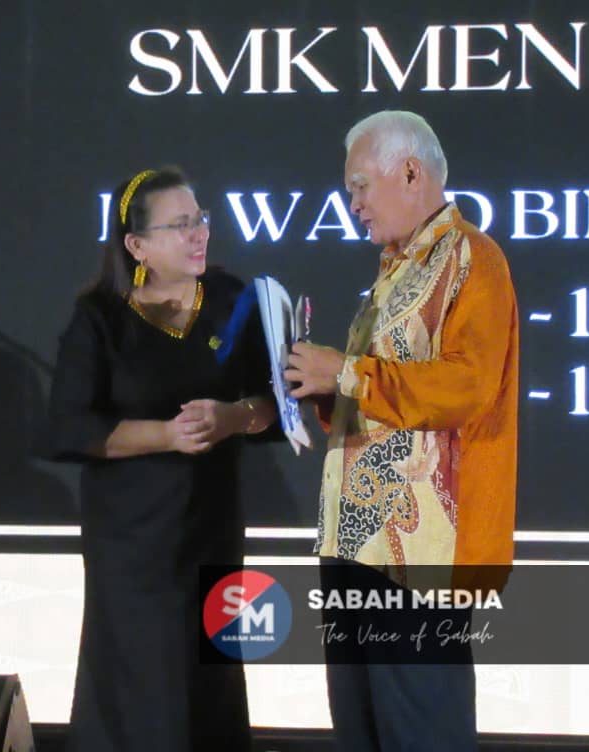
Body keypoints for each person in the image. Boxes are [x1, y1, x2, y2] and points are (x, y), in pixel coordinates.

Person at [283, 110, 519, 751]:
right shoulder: (394, 269)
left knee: (421, 729)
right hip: (353, 543)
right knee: (360, 728)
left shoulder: (472, 258)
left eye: (360, 186)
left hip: (420, 555)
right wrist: (319, 387)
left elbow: (467, 387)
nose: (352, 204)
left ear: (411, 172)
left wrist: (347, 372)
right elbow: (381, 399)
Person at [40, 167, 278, 752]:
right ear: (137, 245)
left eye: (201, 220)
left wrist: (232, 417)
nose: (199, 234)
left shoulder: (233, 300)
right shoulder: (100, 317)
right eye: (180, 225)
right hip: (133, 544)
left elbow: (276, 404)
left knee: (211, 680)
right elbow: (72, 428)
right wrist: (167, 435)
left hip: (211, 529)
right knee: (144, 687)